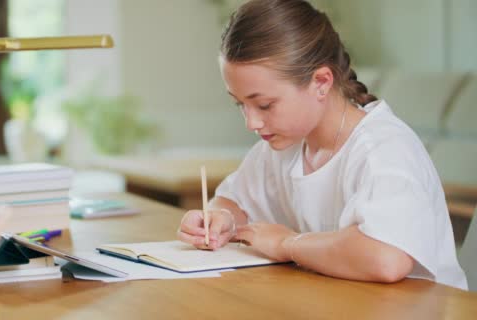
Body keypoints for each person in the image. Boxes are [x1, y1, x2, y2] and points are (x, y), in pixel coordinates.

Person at [176, 0, 467, 289]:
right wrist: (220, 219)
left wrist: (287, 244)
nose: (251, 123)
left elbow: (386, 258)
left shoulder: (383, 149)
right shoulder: (283, 147)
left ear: (321, 82)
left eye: (264, 105)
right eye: (241, 104)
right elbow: (234, 200)